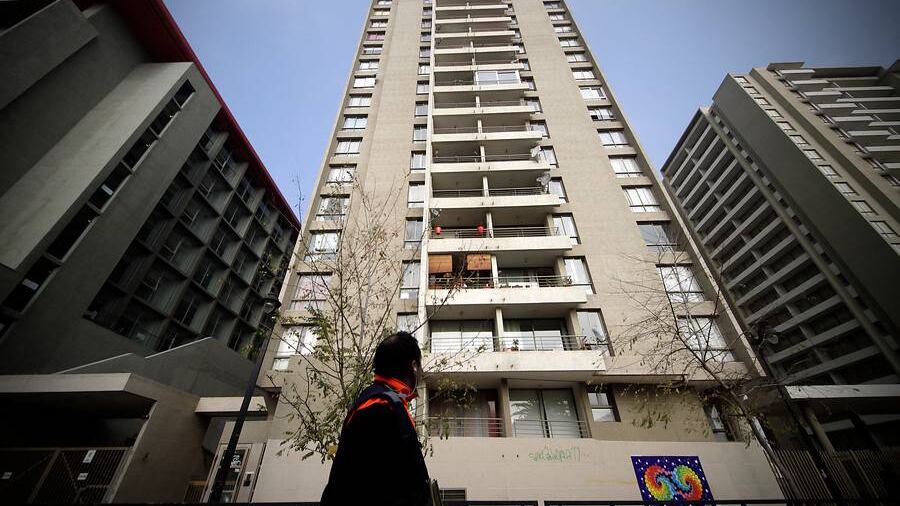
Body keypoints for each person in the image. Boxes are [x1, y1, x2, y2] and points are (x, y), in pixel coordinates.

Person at [320, 331, 432, 506]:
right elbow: (378, 483)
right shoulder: (380, 406)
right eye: (420, 366)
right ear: (414, 366)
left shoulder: (383, 400)